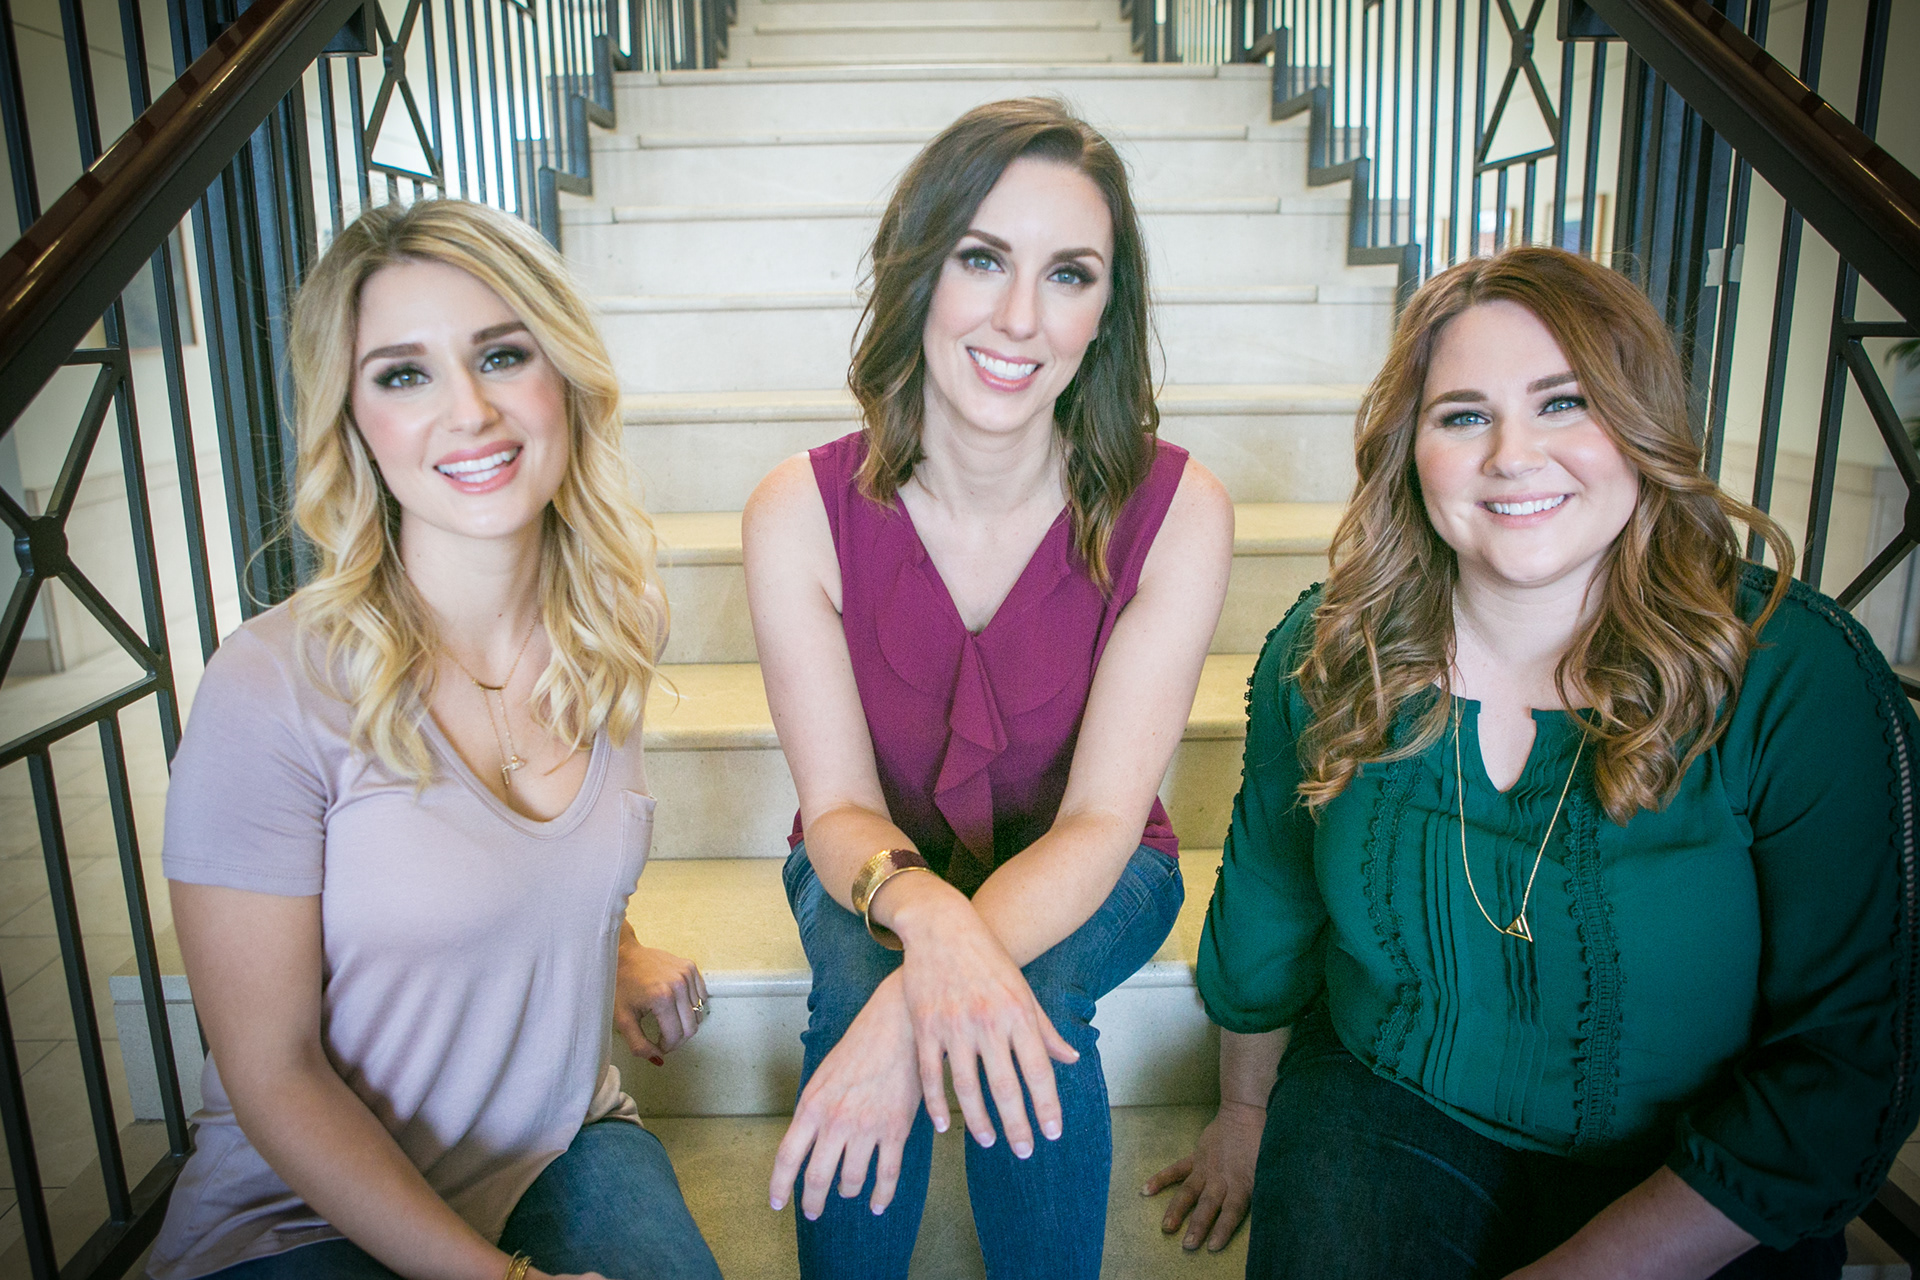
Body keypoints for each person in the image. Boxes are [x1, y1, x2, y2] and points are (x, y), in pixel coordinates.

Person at [1148, 244, 1920, 1278]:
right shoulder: (1330, 651)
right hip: (1391, 1092)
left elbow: (1852, 1057)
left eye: (1564, 403)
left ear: (1639, 425)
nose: (1513, 455)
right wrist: (1245, 1111)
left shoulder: (1797, 676)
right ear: (1409, 451)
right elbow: (1268, 900)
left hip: (1699, 1160)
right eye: (1463, 415)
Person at [146, 199, 722, 1280]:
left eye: (501, 355)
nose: (469, 410)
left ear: (563, 376)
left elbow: (537, 862)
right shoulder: (269, 686)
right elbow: (272, 1069)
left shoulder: (615, 623)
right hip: (299, 1208)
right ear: (353, 420)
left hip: (556, 1141)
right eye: (404, 374)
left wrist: (619, 953)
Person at [742, 97, 1234, 1278]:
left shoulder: (1179, 509)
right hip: (876, 860)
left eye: (1069, 274)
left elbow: (1103, 819)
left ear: (1107, 309)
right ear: (918, 270)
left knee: (1038, 989)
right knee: (859, 972)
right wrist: (924, 935)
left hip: (1097, 857)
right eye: (982, 258)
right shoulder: (797, 510)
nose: (1021, 316)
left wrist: (908, 1019)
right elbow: (840, 804)